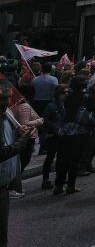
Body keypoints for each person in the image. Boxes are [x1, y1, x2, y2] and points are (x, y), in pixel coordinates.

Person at [0, 80, 32, 247]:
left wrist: (18, 131)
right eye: (2, 99)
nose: (6, 103)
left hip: (4, 187)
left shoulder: (6, 116)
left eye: (7, 98)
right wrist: (22, 142)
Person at [54, 76, 95, 195]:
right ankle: (71, 186)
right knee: (75, 159)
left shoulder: (66, 97)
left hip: (65, 130)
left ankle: (58, 185)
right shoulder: (88, 98)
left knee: (62, 159)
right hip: (80, 131)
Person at [10, 84, 42, 197]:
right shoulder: (25, 106)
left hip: (25, 137)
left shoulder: (20, 105)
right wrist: (39, 121)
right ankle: (14, 186)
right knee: (23, 162)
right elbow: (24, 124)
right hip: (27, 137)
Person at [41, 85, 67, 190]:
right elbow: (46, 120)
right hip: (53, 136)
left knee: (62, 158)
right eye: (64, 92)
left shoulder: (65, 105)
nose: (66, 94)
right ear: (58, 94)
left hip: (63, 135)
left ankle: (60, 176)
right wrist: (57, 129)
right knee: (50, 158)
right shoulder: (51, 106)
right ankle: (45, 179)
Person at [31, 62, 58, 154]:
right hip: (48, 102)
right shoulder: (54, 80)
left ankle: (32, 146)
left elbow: (32, 91)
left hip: (36, 102)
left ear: (41, 69)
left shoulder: (35, 80)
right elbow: (55, 93)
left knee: (35, 124)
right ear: (50, 69)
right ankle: (43, 147)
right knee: (45, 125)